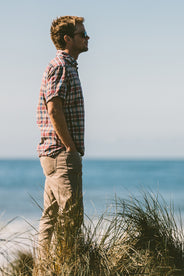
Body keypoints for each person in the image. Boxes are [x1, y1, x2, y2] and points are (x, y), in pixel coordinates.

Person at [36, 16, 90, 257]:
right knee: (71, 217)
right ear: (68, 38)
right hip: (60, 154)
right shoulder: (61, 66)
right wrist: (70, 147)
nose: (87, 37)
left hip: (54, 153)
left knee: (51, 217)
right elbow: (53, 107)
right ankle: (66, 267)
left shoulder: (66, 66)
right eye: (82, 34)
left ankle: (45, 268)